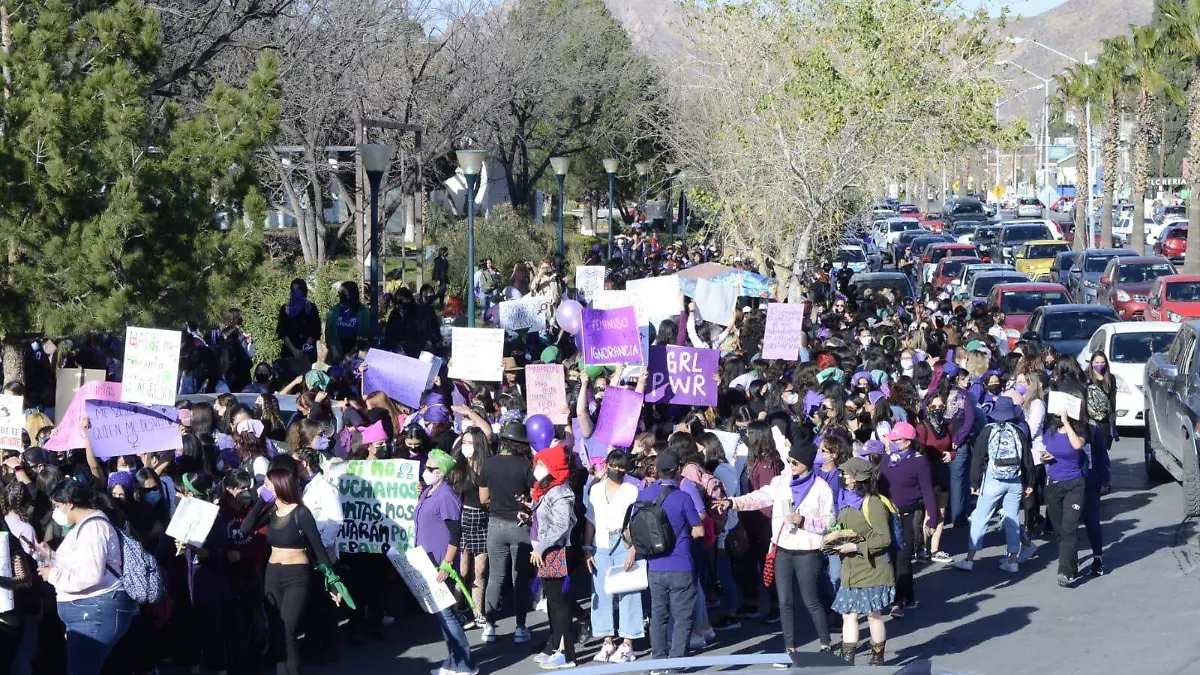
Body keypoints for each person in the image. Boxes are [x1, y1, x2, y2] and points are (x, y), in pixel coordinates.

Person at [717, 441, 835, 660]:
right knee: (784, 601)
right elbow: (758, 498)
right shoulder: (780, 482)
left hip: (807, 550)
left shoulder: (821, 488)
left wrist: (804, 521)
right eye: (789, 461)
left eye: (795, 462)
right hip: (781, 549)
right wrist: (732, 503)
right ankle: (790, 647)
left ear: (807, 464)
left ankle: (826, 643)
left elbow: (830, 523)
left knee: (811, 600)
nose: (790, 465)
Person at [239, 465, 343, 675]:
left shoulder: (301, 513)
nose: (263, 488)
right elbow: (245, 529)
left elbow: (318, 549)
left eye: (267, 485)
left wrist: (333, 583)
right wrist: (261, 501)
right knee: (277, 631)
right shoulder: (272, 511)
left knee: (288, 630)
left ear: (278, 486)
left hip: (297, 576)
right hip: (273, 575)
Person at [37, 478, 138, 675]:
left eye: (57, 506)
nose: (56, 512)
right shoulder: (84, 526)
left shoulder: (93, 527)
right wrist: (50, 556)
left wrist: (53, 575)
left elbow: (90, 574)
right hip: (89, 612)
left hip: (96, 611)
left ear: (70, 504)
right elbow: (81, 561)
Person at [633, 449, 704, 663]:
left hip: (654, 565)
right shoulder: (682, 497)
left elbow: (634, 528)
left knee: (658, 616)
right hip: (681, 563)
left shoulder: (644, 494)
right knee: (682, 617)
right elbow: (698, 531)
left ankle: (658, 660)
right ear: (678, 470)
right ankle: (676, 663)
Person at [414, 449, 476, 675]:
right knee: (442, 615)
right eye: (426, 467)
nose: (426, 472)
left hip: (441, 564)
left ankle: (466, 664)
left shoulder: (447, 496)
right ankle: (453, 660)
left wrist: (447, 564)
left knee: (448, 616)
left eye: (431, 469)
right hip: (426, 562)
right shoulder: (429, 491)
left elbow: (455, 533)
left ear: (442, 472)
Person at [956, 396, 1035, 573]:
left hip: (993, 480)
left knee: (980, 518)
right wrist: (1029, 482)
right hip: (1015, 480)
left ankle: (969, 559)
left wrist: (974, 482)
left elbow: (978, 458)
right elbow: (1027, 459)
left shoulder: (987, 431)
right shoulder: (1018, 431)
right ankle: (1013, 559)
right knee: (1012, 518)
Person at [830, 458, 893, 666]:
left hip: (872, 569)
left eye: (847, 474)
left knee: (873, 614)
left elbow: (884, 539)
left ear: (857, 478)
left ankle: (877, 658)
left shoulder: (872, 502)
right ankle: (848, 661)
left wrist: (856, 547)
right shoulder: (845, 498)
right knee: (849, 615)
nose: (843, 477)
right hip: (850, 569)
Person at [582, 450, 643, 664]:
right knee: (601, 591)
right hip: (601, 543)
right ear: (606, 465)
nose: (617, 470)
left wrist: (633, 549)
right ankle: (607, 640)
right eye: (614, 466)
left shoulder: (632, 489)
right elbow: (590, 519)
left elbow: (638, 522)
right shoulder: (596, 490)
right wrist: (587, 547)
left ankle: (628, 643)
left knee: (628, 592)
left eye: (621, 467)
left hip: (624, 542)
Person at [478, 421, 535, 644]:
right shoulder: (526, 465)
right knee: (519, 578)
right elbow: (535, 496)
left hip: (495, 524)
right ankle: (520, 627)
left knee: (495, 577)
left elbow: (483, 499)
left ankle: (490, 626)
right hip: (520, 526)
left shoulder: (489, 465)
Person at [877, 421, 937, 616]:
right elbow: (880, 485)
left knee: (902, 558)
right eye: (891, 438)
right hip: (887, 514)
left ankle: (899, 601)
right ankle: (908, 595)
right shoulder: (887, 458)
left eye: (896, 439)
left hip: (909, 514)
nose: (892, 441)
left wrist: (932, 518)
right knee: (891, 557)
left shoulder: (919, 461)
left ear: (908, 442)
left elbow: (928, 491)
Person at [529, 444, 577, 669]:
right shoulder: (546, 488)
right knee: (552, 602)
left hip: (555, 550)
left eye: (541, 463)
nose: (537, 467)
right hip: (545, 549)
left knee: (559, 604)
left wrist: (541, 547)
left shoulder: (560, 491)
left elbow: (561, 524)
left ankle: (567, 654)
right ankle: (554, 644)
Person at [1041, 405, 1088, 587]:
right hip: (1053, 484)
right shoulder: (1051, 431)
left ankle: (1065, 571)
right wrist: (1046, 457)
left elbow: (1077, 445)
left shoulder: (1081, 430)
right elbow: (1047, 448)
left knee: (1069, 529)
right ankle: (1072, 562)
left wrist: (1067, 423)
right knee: (1060, 530)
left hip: (1074, 484)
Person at [276, 278, 321, 363]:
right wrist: (294, 351)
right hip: (289, 352)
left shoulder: (311, 308)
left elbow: (315, 330)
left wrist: (304, 348)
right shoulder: (285, 308)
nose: (295, 292)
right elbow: (282, 331)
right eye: (293, 289)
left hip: (307, 352)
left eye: (298, 289)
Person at [325, 281, 371, 363]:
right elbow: (329, 333)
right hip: (337, 353)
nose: (340, 294)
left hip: (355, 354)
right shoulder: (334, 310)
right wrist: (333, 350)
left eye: (343, 292)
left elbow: (365, 333)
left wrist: (358, 353)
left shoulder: (363, 311)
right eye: (340, 292)